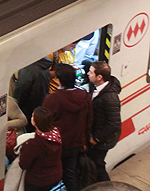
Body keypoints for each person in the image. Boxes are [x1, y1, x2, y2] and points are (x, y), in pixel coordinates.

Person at [42, 63, 93, 191]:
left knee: (49, 175)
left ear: (58, 80)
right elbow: (89, 121)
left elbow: (45, 123)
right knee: (70, 174)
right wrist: (85, 140)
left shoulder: (51, 99)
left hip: (56, 145)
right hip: (75, 143)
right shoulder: (85, 96)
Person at [87, 61, 122, 183]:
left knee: (98, 165)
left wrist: (95, 139)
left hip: (103, 140)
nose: (87, 74)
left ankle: (107, 186)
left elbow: (114, 124)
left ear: (99, 77)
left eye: (91, 72)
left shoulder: (110, 98)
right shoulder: (96, 87)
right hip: (98, 135)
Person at [18, 107, 63, 191]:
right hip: (56, 176)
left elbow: (23, 164)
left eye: (32, 117)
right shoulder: (57, 133)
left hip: (38, 181)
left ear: (35, 122)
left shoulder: (33, 144)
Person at [14, 57, 54, 132]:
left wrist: (15, 104)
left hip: (27, 107)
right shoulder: (43, 65)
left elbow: (21, 89)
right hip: (39, 102)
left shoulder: (28, 69)